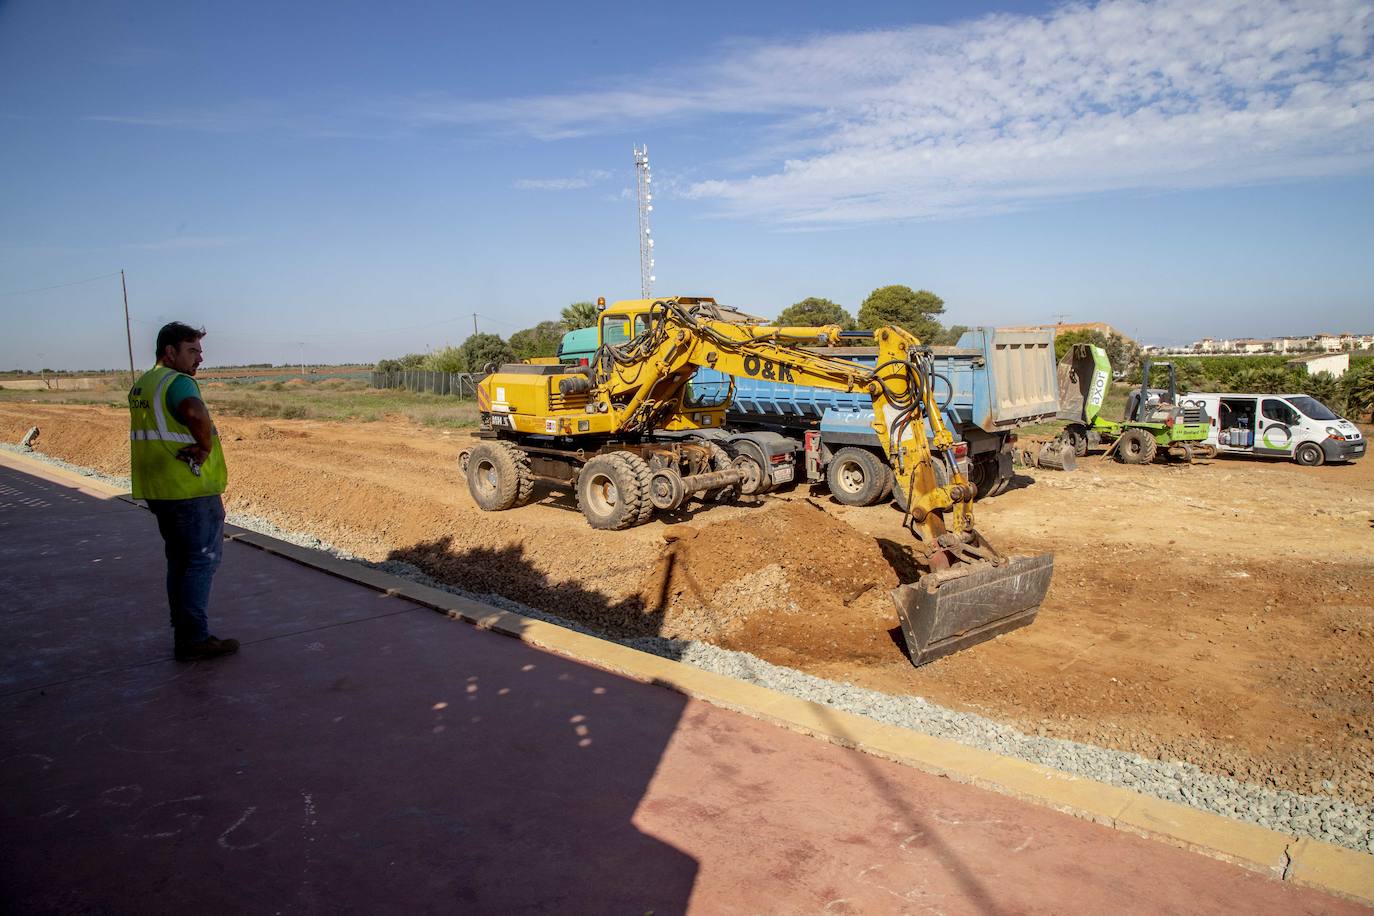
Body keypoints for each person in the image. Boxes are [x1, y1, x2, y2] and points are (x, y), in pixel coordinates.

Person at [128, 322, 238, 661]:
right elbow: (194, 412)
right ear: (169, 352)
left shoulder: (143, 385)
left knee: (179, 561)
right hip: (189, 488)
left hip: (160, 490)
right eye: (192, 350)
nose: (200, 358)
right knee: (202, 561)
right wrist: (204, 449)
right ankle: (194, 638)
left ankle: (184, 632)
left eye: (200, 351)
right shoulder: (178, 382)